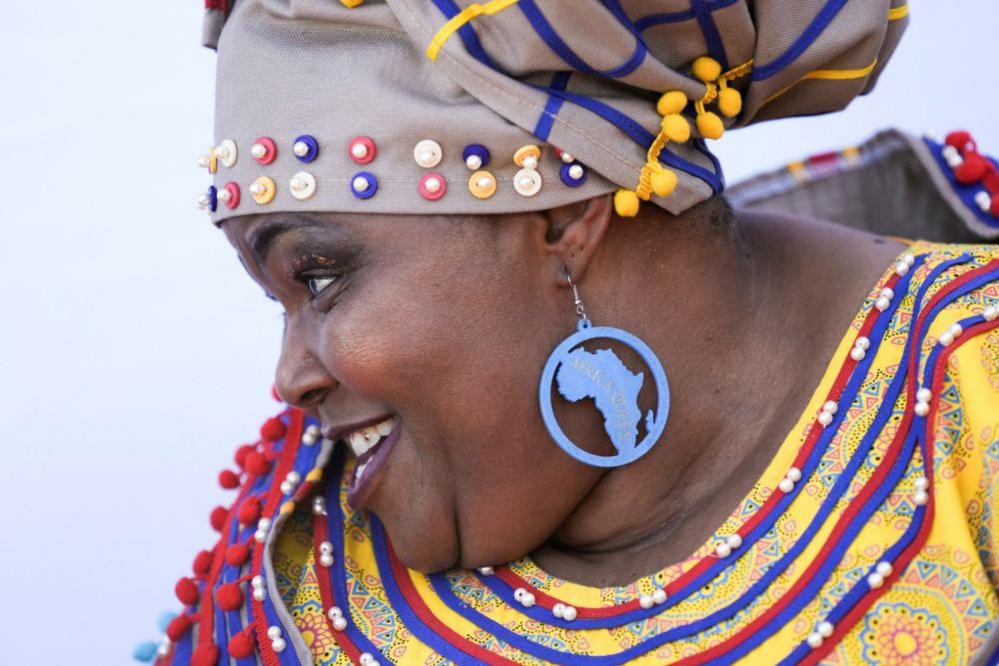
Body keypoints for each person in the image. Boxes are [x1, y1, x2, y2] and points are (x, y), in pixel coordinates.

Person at [135, 1, 999, 663]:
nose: (289, 380)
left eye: (319, 277)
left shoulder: (977, 397)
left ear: (566, 216)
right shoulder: (292, 563)